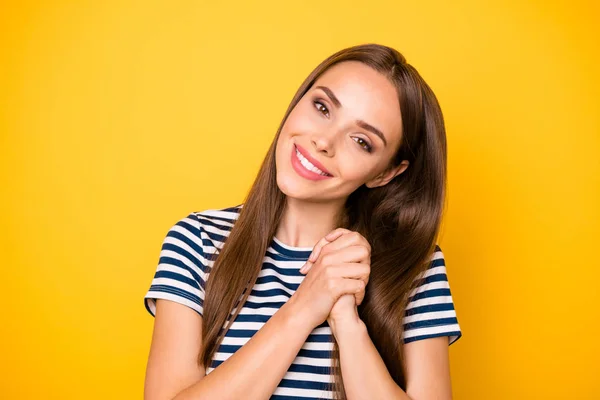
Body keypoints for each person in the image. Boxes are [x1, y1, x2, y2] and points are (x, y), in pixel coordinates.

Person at [143, 43, 462, 400]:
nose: (324, 141)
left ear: (386, 173)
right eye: (322, 107)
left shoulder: (415, 268)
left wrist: (346, 322)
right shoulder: (198, 241)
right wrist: (306, 306)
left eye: (361, 141)